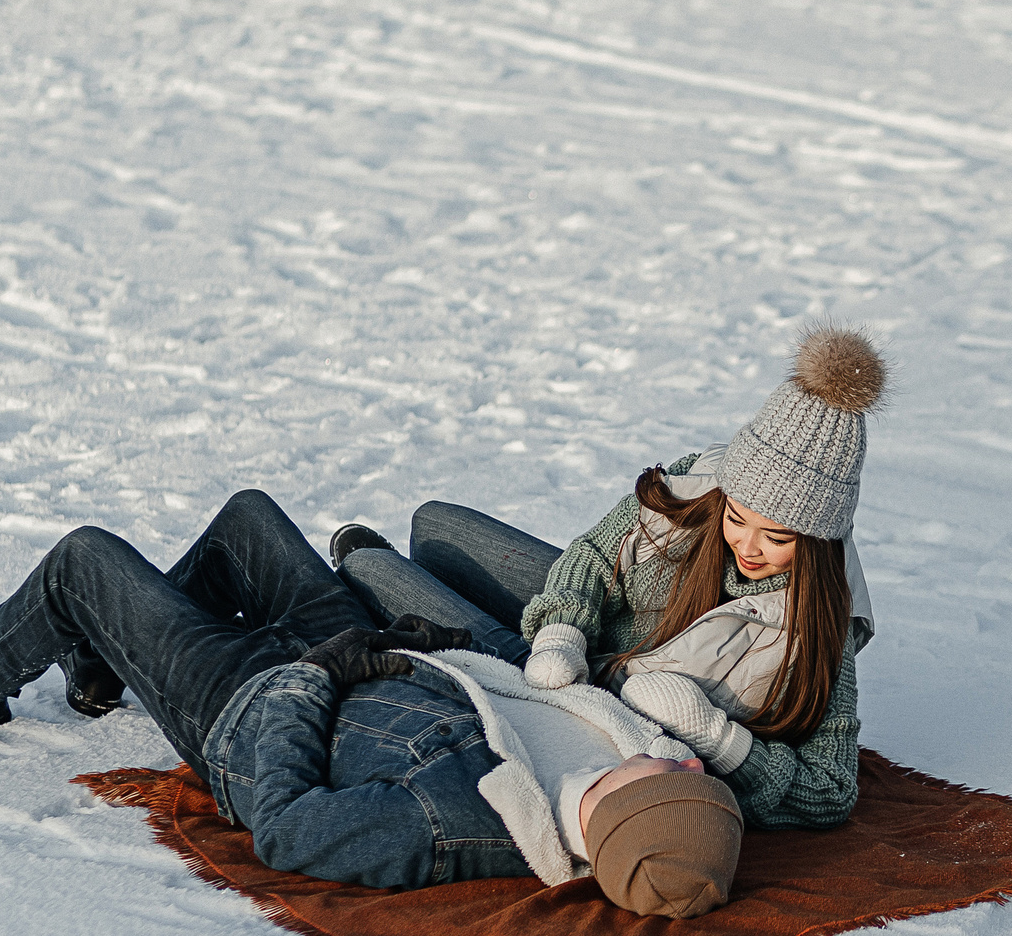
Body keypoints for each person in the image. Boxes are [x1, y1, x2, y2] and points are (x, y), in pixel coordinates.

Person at [0, 491, 742, 918]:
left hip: (253, 701)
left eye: (678, 779)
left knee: (85, 558)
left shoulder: (463, 818)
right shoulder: (607, 746)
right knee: (250, 521)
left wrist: (314, 679)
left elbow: (286, 824)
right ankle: (109, 661)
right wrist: (434, 643)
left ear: (637, 806)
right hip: (369, 655)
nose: (684, 763)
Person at [335, 326, 884, 831]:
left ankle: (372, 575)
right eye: (736, 519)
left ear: (816, 543)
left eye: (778, 538)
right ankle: (421, 583)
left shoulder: (818, 630)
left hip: (588, 701)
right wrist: (561, 634)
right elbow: (596, 553)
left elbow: (832, 790)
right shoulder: (699, 486)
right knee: (436, 522)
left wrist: (716, 736)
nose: (747, 545)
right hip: (585, 642)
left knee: (370, 567)